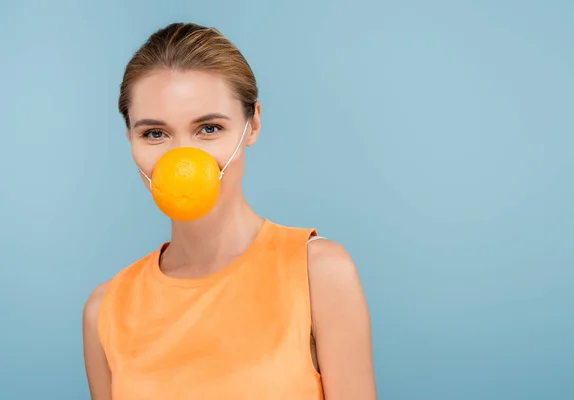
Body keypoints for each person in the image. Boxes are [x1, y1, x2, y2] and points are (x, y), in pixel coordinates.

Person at [83, 22, 376, 400]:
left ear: (252, 124)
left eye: (208, 128)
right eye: (155, 133)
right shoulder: (104, 311)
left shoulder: (319, 274)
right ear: (131, 139)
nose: (181, 159)